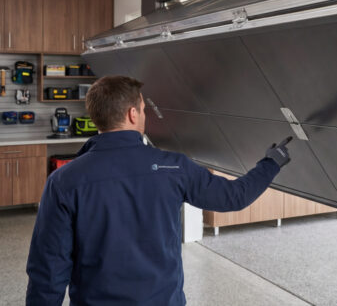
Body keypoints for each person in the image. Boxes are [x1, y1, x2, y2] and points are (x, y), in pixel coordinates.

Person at [25, 75, 292, 305]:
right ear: (132, 114)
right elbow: (235, 196)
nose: (144, 115)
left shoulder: (63, 181)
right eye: (143, 109)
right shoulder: (174, 168)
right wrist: (271, 162)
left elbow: (48, 270)